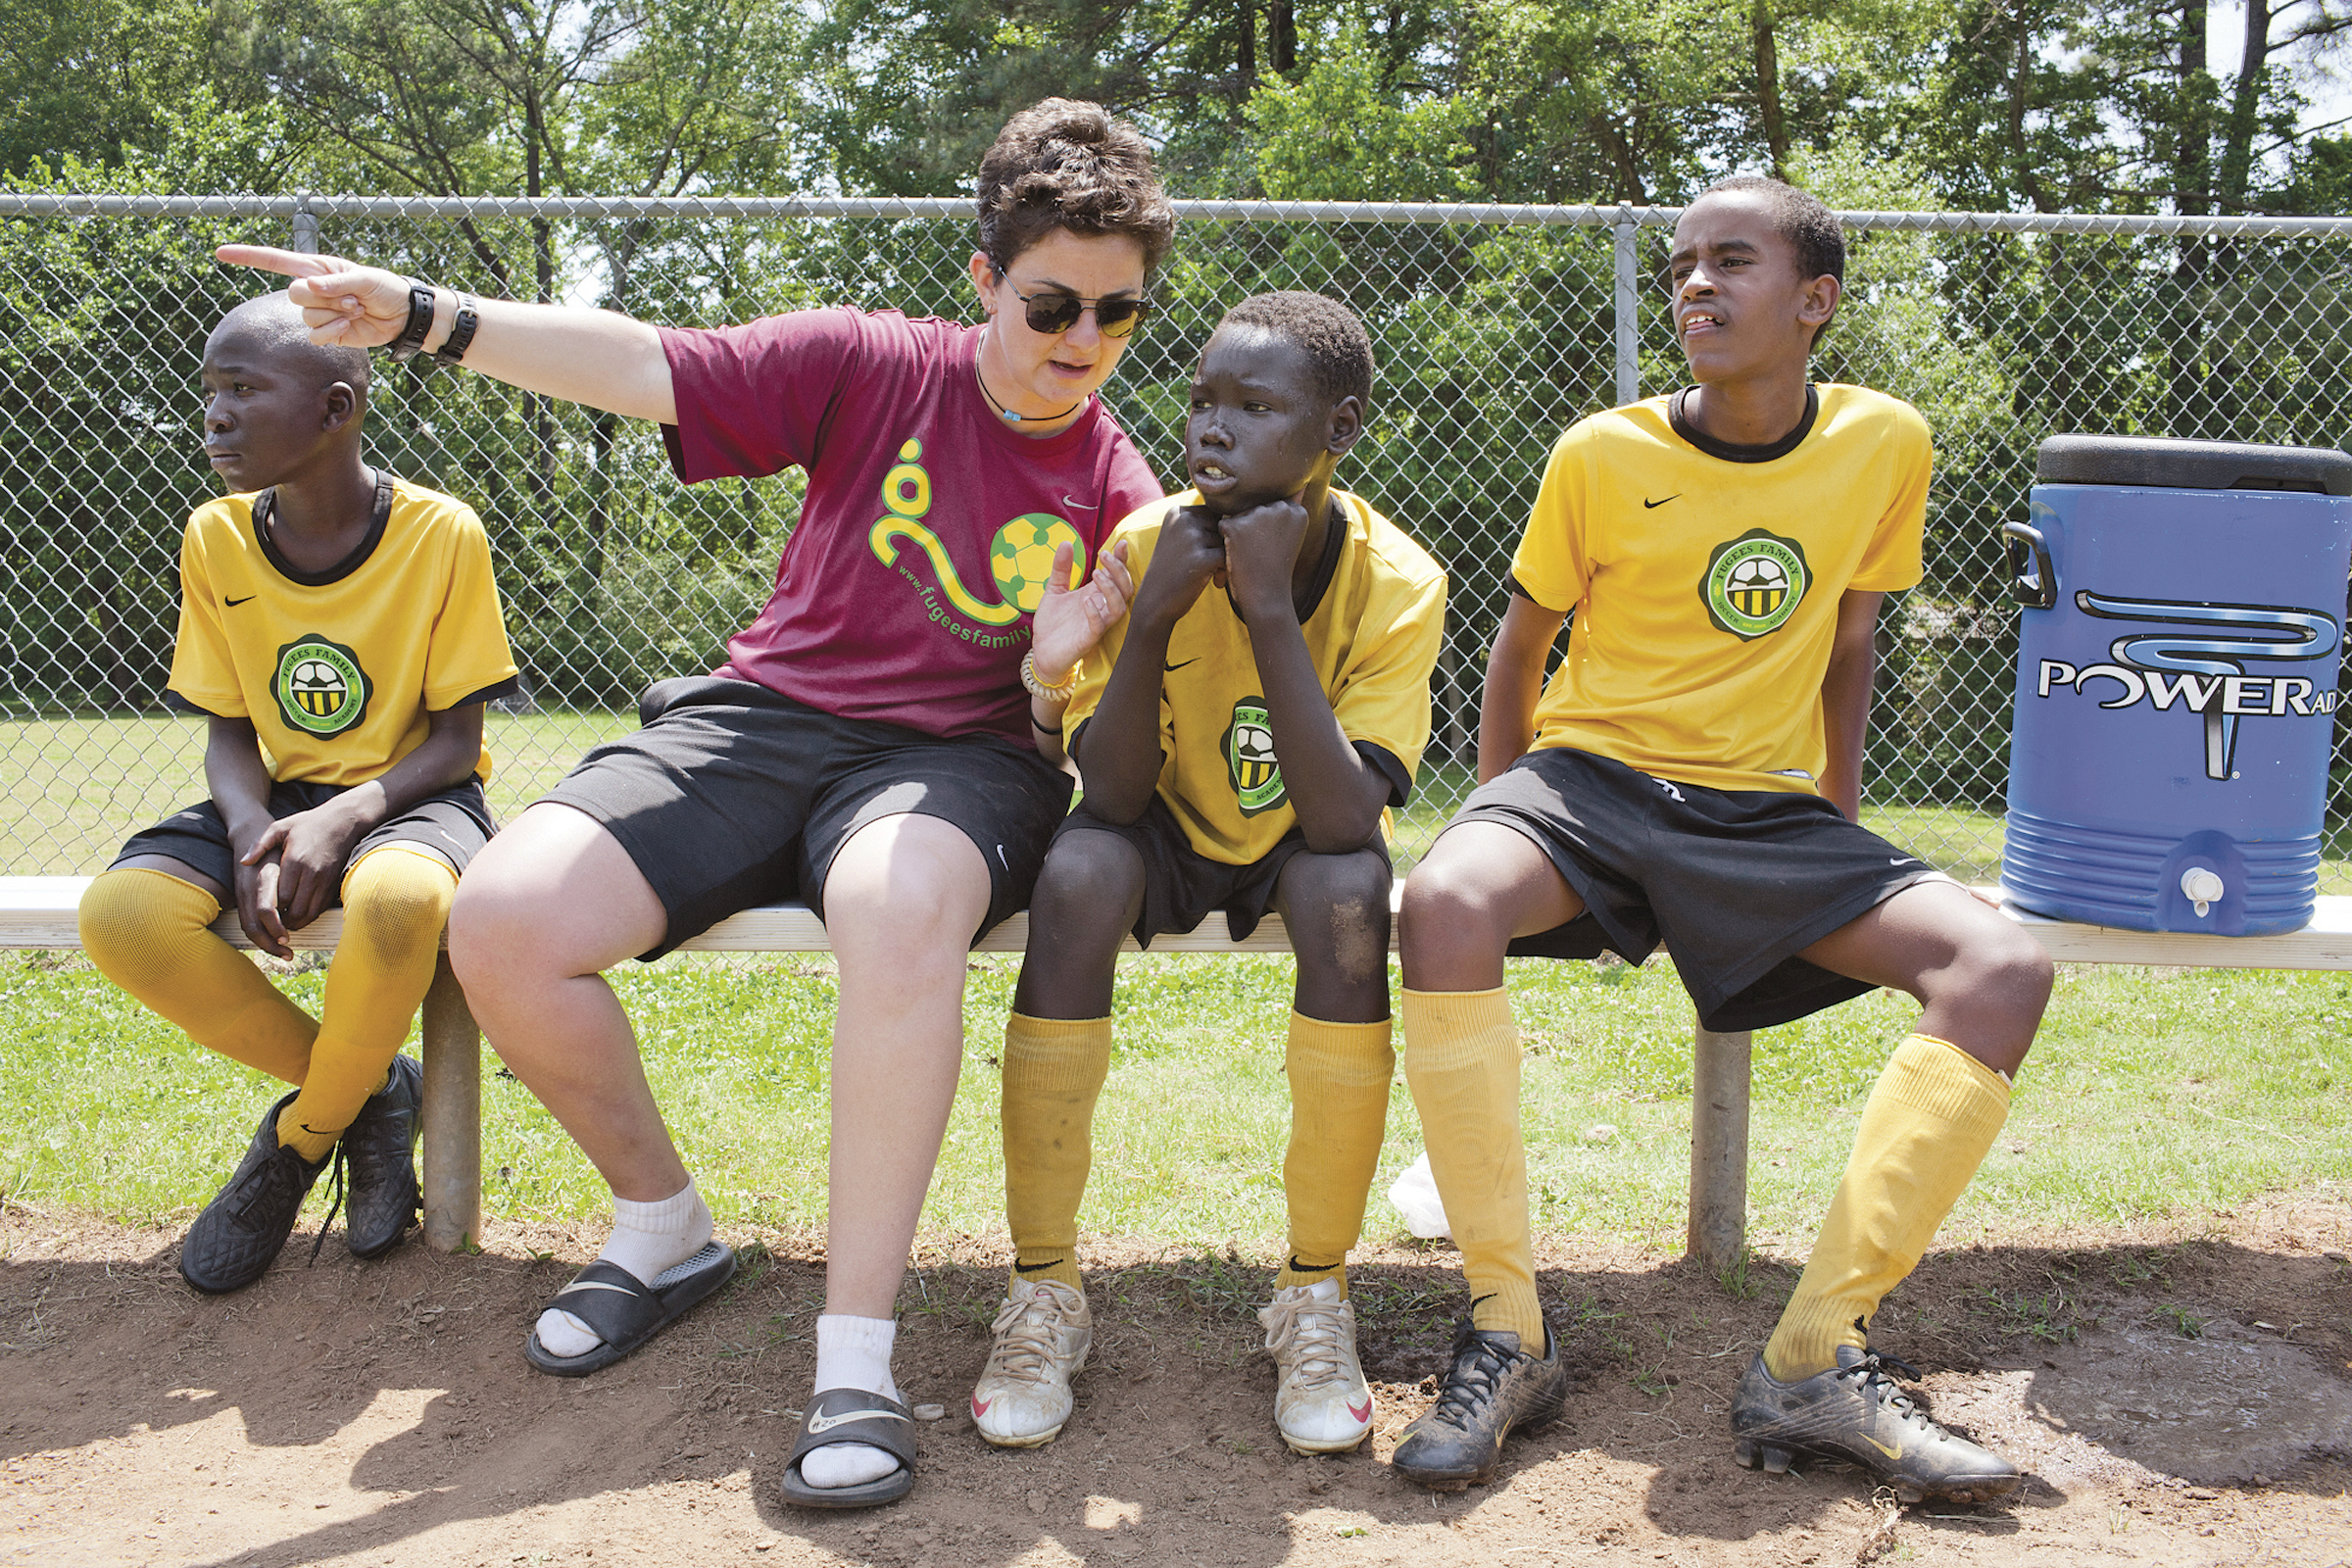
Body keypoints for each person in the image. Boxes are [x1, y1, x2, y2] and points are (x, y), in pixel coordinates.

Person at [220, 99, 1169, 1509]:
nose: (1081, 344)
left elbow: (1089, 739)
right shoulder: (869, 361)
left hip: (960, 758)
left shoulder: (1121, 492)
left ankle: (855, 1358)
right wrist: (427, 314)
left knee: (895, 903)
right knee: (504, 918)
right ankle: (664, 1227)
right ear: (985, 279)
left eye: (1118, 315)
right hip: (765, 716)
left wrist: (1044, 682)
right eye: (1050, 305)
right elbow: (646, 367)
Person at [1389, 175, 2053, 1500]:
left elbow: (1853, 638)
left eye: (1731, 262)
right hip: (1586, 784)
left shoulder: (1886, 442)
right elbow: (1516, 654)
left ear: (1816, 301)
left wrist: (1839, 833)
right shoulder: (1601, 451)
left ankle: (1815, 1358)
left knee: (2004, 968)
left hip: (1762, 807)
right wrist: (1496, 819)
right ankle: (1509, 1329)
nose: (1696, 284)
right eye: (1685, 263)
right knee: (1442, 902)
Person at [971, 293, 1446, 1457]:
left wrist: (1270, 608)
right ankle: (1042, 1290)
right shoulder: (1145, 545)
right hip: (1166, 822)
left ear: (1338, 425)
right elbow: (1115, 792)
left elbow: (1343, 816)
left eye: (1252, 406)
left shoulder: (1399, 578)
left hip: (1303, 835)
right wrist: (1150, 621)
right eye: (1199, 402)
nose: (1210, 432)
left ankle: (1315, 1290)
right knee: (1079, 871)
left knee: (1346, 902)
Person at [77, 293, 519, 1294]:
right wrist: (250, 828)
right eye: (210, 392)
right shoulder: (216, 536)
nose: (215, 415)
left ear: (334, 410)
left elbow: (457, 739)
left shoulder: (441, 533)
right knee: (124, 914)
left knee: (402, 901)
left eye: (242, 389)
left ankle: (299, 1136)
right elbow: (228, 728)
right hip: (273, 794)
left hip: (414, 794)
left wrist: (346, 813)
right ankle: (371, 1089)